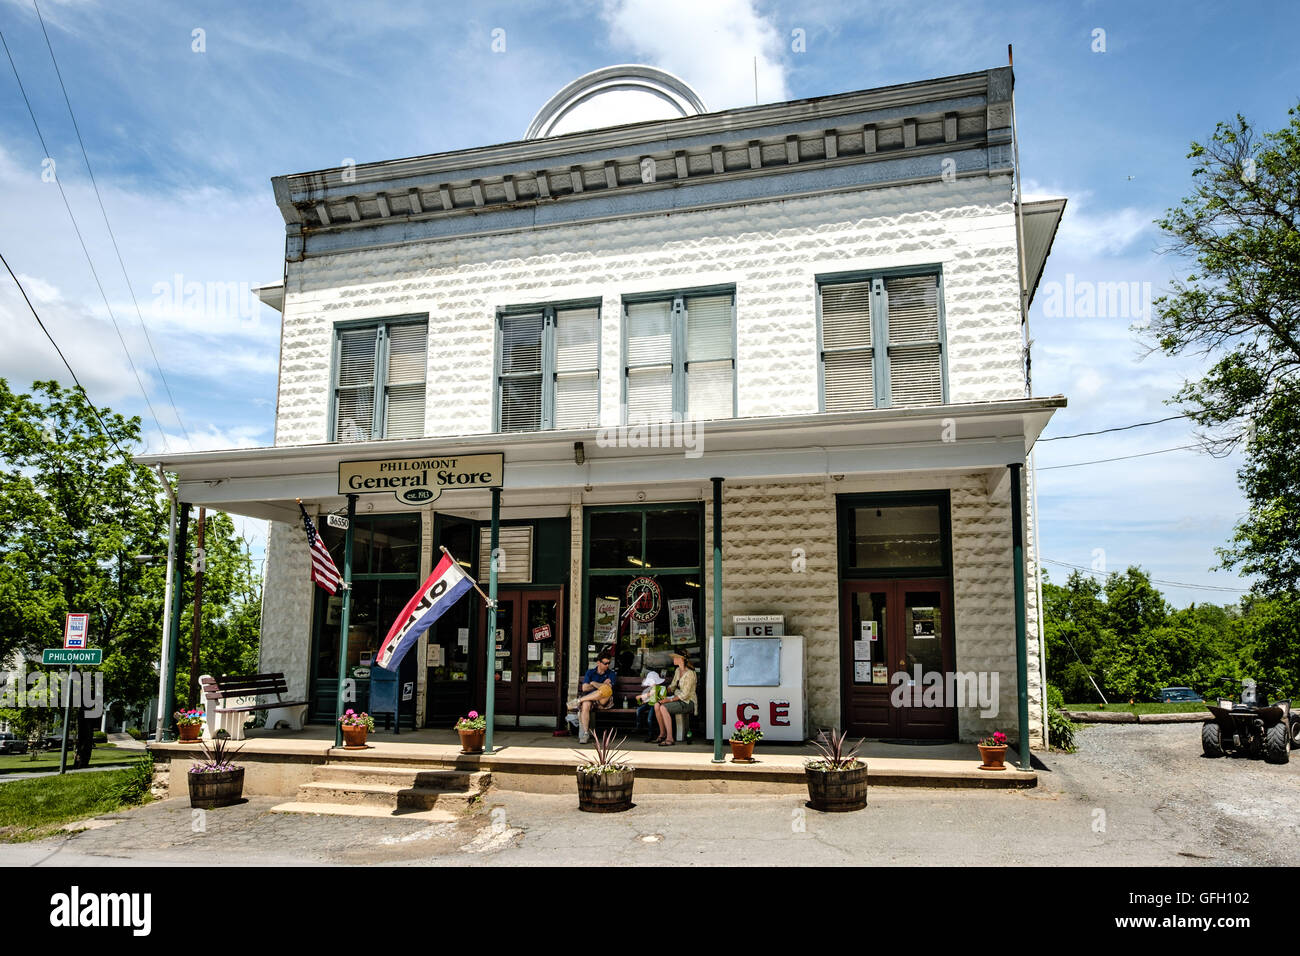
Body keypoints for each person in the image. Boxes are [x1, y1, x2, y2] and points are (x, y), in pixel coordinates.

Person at [566, 652, 617, 743]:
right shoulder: (590, 672)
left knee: (605, 691)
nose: (607, 665)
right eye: (605, 663)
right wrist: (600, 685)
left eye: (609, 663)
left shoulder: (611, 673)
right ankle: (586, 733)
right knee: (585, 704)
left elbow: (608, 688)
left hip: (604, 700)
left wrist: (593, 683)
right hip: (589, 698)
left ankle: (577, 701)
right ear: (598, 663)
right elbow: (584, 688)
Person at [653, 651, 696, 746]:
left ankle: (670, 738)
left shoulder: (690, 674)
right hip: (677, 699)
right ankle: (662, 734)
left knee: (663, 707)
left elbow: (685, 694)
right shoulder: (677, 671)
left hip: (688, 702)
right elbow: (673, 686)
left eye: (675, 657)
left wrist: (669, 700)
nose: (673, 659)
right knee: (657, 705)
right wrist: (662, 690)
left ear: (681, 659)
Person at [635, 671, 666, 742]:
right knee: (639, 710)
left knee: (649, 719)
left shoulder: (661, 688)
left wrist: (644, 695)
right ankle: (639, 726)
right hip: (649, 703)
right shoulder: (649, 688)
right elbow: (643, 699)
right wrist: (641, 701)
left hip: (655, 705)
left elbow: (659, 697)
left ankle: (651, 734)